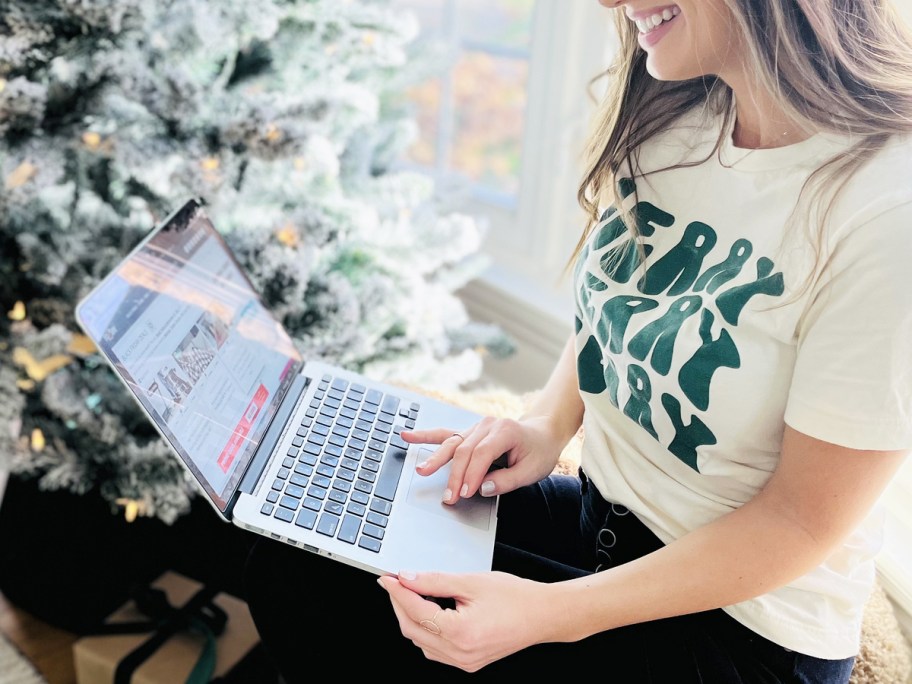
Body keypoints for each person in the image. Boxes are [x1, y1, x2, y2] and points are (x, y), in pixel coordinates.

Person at [243, 1, 912, 681]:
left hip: (742, 631)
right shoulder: (680, 106)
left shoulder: (888, 210)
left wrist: (547, 614)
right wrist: (545, 423)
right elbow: (624, 304)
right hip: (604, 523)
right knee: (300, 547)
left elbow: (799, 523)